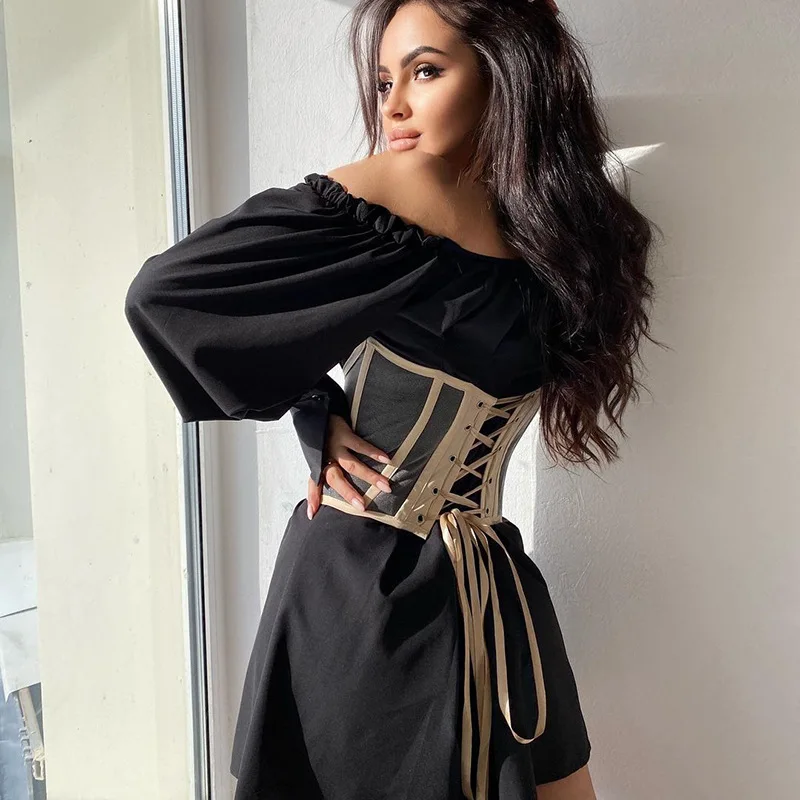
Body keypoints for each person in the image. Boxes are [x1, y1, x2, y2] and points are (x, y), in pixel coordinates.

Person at [124, 1, 661, 798]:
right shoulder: (405, 186)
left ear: (504, 71)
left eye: (426, 71)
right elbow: (168, 294)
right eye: (384, 81)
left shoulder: (552, 225)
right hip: (365, 583)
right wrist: (312, 406)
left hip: (489, 576)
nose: (394, 107)